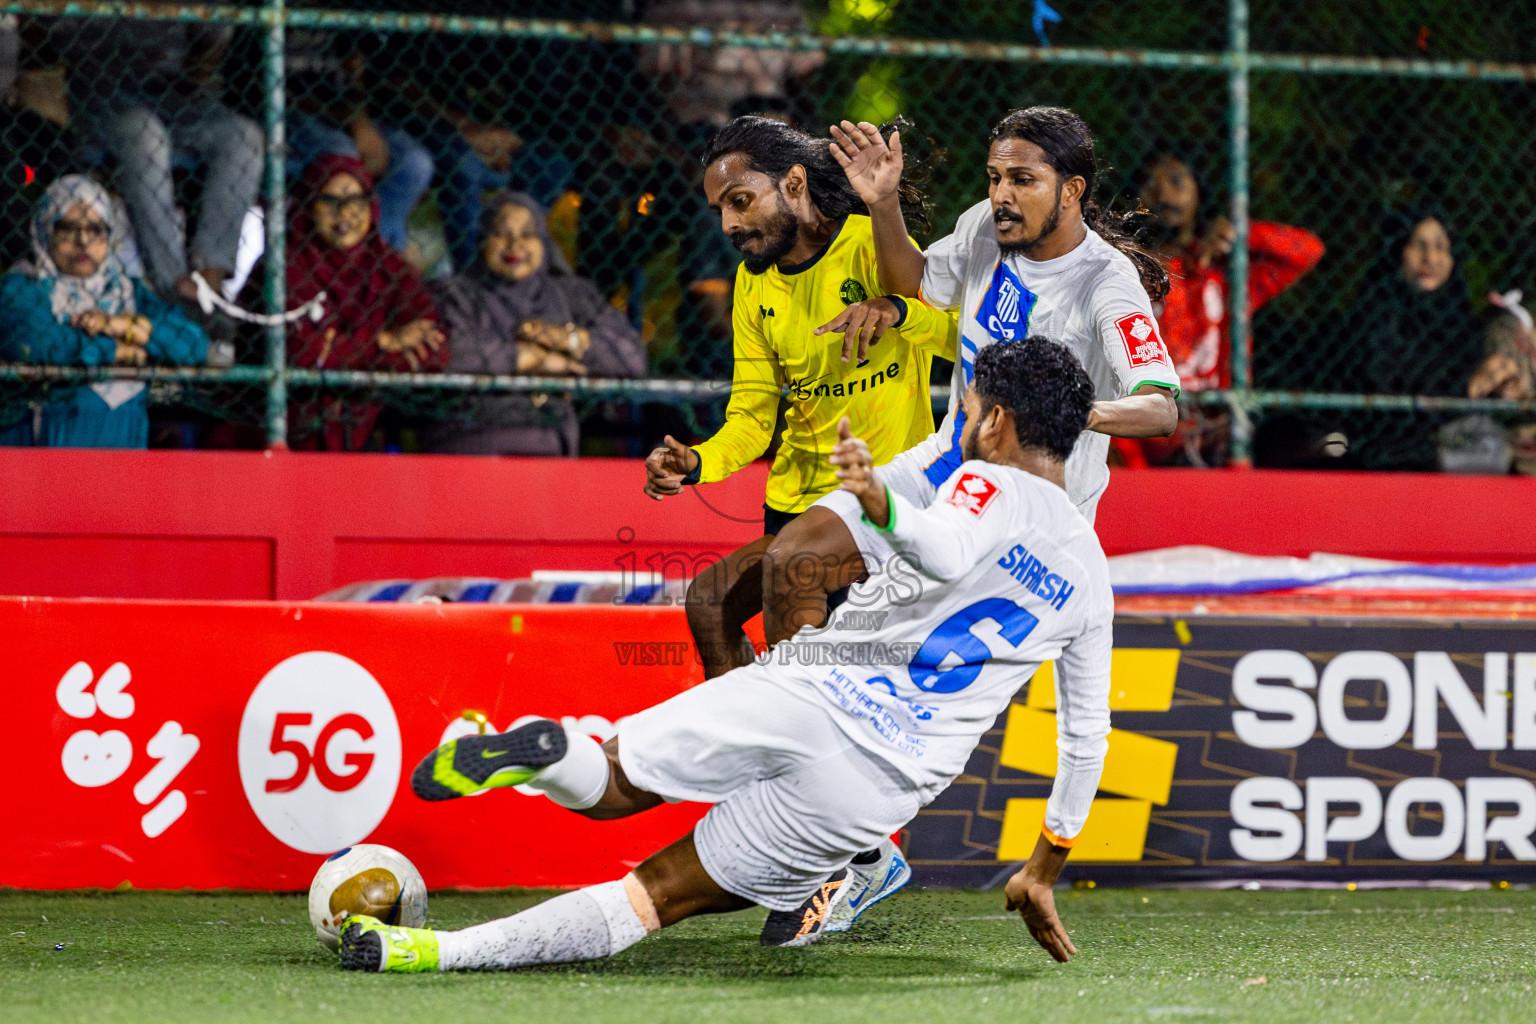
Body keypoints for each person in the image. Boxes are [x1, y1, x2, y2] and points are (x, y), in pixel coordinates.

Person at [336, 338, 1112, 972]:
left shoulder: (981, 483)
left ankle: (543, 754)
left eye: (968, 408)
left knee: (608, 777)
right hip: (877, 775)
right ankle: (429, 953)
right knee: (656, 896)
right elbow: (1086, 741)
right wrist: (1043, 867)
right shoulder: (1091, 577)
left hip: (804, 687)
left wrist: (883, 502)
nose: (963, 421)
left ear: (998, 421)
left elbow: (946, 548)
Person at [760, 107, 1178, 646]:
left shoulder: (1106, 283)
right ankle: (800, 724)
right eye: (995, 176)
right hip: (947, 462)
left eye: (1023, 180)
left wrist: (1071, 410)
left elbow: (1161, 406)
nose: (1002, 193)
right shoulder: (986, 223)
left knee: (918, 659)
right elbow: (913, 282)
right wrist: (883, 204)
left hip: (1032, 511)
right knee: (791, 562)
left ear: (1071, 190)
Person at [642, 115, 957, 681]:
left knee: (803, 667)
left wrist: (898, 311)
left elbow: (961, 338)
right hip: (791, 505)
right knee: (710, 604)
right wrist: (696, 462)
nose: (729, 225)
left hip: (876, 502)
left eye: (740, 201)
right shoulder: (752, 283)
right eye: (720, 211)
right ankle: (750, 746)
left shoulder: (870, 246)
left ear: (793, 184)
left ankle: (793, 751)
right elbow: (751, 418)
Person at [1127, 149, 1324, 465]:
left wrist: (1241, 233)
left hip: (1218, 425)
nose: (1163, 193)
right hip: (1154, 430)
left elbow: (1307, 251)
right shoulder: (1127, 270)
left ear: (1199, 190)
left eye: (1176, 181)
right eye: (1150, 184)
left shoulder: (1227, 275)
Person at [46, 21, 262, 302]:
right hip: (96, 87)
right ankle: (173, 287)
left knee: (244, 136)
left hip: (165, 89)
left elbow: (211, 41)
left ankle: (209, 275)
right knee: (146, 134)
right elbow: (41, 36)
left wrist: (193, 74)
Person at [424, 192, 646, 456]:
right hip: (470, 445)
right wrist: (528, 357)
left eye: (528, 234)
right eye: (500, 233)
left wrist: (565, 339)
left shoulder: (569, 295)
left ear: (544, 242)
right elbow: (445, 355)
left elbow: (632, 358)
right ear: (482, 239)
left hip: (551, 449)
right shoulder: (453, 295)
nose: (514, 244)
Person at [0, 174, 207, 447]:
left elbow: (193, 345)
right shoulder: (23, 287)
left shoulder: (127, 292)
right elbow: (39, 347)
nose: (83, 242)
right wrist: (119, 352)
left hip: (121, 447)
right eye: (68, 228)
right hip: (41, 447)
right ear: (44, 230)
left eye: (96, 230)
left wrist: (122, 326)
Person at [270, 154, 446, 451]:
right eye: (330, 201)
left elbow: (435, 351)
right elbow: (302, 354)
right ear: (308, 205)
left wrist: (339, 351)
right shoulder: (284, 266)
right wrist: (385, 343)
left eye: (356, 200)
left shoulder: (387, 265)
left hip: (366, 426)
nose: (345, 212)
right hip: (281, 428)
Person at [1340, 207, 1480, 469]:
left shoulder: (1464, 324)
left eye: (1441, 247)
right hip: (1375, 444)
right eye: (1419, 245)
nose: (1430, 258)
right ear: (1397, 252)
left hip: (1449, 444)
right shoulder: (1373, 316)